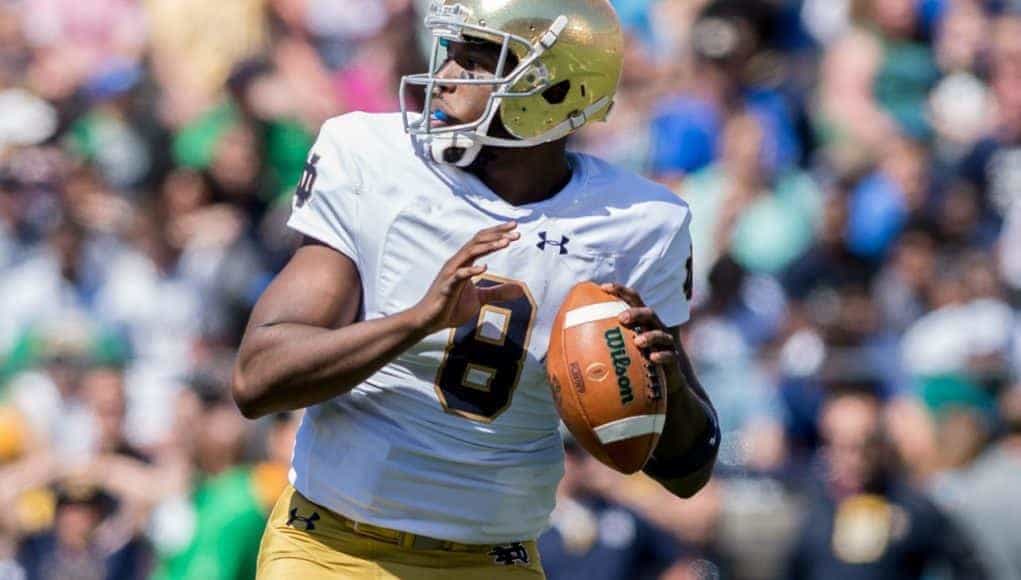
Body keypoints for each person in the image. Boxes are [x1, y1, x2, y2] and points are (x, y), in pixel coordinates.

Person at [232, 0, 720, 577]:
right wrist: (415, 322)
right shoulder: (371, 158)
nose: (444, 77)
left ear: (554, 91)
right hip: (333, 546)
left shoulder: (639, 223)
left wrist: (663, 390)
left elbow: (689, 471)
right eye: (450, 52)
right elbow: (256, 379)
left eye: (475, 60)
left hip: (495, 559)